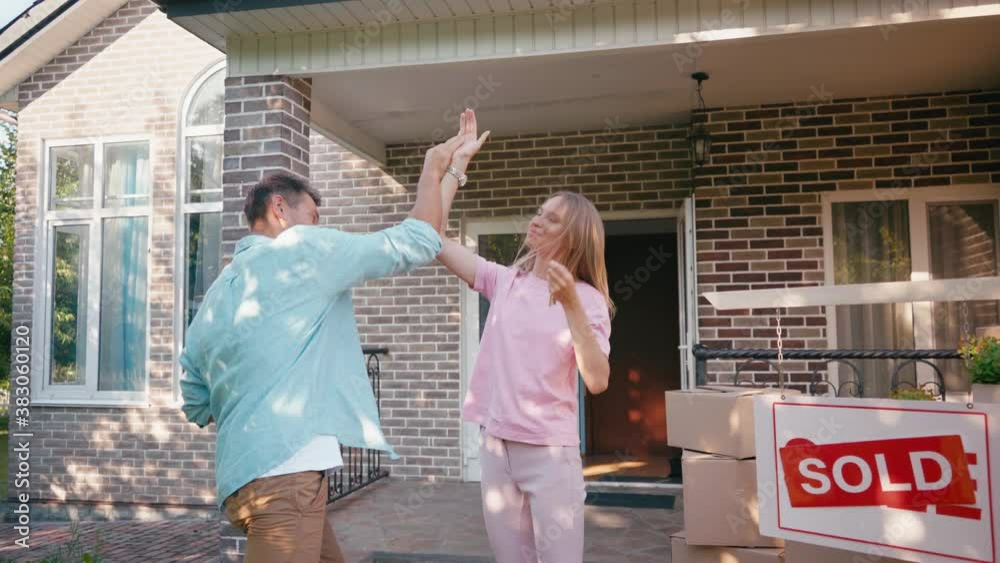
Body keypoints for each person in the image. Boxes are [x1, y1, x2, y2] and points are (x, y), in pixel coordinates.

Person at [178, 129, 474, 562]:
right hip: (285, 478)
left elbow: (193, 400)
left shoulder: (220, 290)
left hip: (243, 480)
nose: (319, 225)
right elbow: (415, 242)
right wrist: (437, 168)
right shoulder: (301, 250)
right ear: (280, 208)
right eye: (314, 215)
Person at [437, 110, 615, 563]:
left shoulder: (590, 301)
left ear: (572, 238)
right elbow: (429, 236)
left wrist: (571, 304)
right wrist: (457, 165)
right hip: (496, 448)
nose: (536, 221)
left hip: (550, 455)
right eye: (539, 212)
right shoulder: (505, 281)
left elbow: (597, 380)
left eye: (551, 219)